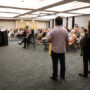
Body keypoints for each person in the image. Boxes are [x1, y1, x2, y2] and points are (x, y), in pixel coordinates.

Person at [47, 17, 69, 81]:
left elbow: (49, 41)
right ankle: (62, 76)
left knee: (55, 64)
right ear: (62, 22)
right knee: (63, 64)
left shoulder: (52, 30)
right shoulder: (65, 30)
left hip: (54, 50)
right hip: (62, 50)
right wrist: (64, 46)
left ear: (55, 22)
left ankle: (55, 76)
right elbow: (67, 41)